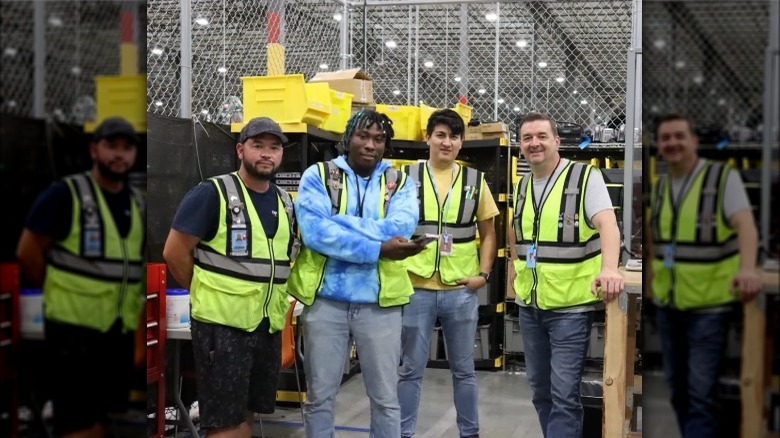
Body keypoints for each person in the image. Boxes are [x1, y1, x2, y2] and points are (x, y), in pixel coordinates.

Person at [288, 110, 423, 438]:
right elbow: (316, 233)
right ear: (348, 138)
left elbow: (400, 227)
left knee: (385, 398)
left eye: (379, 139)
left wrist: (340, 221)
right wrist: (378, 248)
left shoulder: (401, 183)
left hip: (380, 306)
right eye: (363, 136)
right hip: (326, 304)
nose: (371, 145)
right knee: (320, 397)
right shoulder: (318, 176)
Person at [162, 117, 297, 437]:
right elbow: (174, 252)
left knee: (246, 414)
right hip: (222, 328)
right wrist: (206, 290)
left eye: (274, 147)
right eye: (258, 145)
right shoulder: (213, 193)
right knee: (225, 421)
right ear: (240, 149)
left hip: (265, 326)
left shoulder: (285, 202)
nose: (267, 153)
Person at [16, 117, 145, 438]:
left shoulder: (136, 204)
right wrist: (60, 289)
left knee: (99, 420)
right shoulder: (66, 194)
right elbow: (28, 251)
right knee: (77, 424)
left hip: (116, 332)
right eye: (111, 146)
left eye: (126, 148)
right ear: (93, 149)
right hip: (72, 334)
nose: (119, 154)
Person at [508, 112, 624, 437]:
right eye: (528, 137)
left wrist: (610, 268)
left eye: (542, 136)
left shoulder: (584, 177)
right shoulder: (523, 185)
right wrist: (513, 276)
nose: (535, 143)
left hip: (570, 308)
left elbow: (608, 225)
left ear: (557, 141)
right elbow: (518, 236)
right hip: (531, 304)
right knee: (540, 392)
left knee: (563, 395)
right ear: (521, 145)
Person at [648, 113, 761, 437]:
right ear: (659, 144)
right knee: (678, 390)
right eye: (666, 137)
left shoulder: (721, 178)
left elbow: (745, 225)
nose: (673, 143)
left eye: (679, 136)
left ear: (694, 140)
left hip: (709, 307)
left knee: (700, 394)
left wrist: (748, 268)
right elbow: (657, 236)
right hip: (670, 305)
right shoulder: (661, 187)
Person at [397, 109, 499, 438]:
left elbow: (489, 234)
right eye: (440, 135)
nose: (447, 142)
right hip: (415, 288)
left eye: (454, 136)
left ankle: (470, 433)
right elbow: (387, 227)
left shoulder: (474, 181)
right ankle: (403, 433)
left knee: (464, 370)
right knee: (410, 369)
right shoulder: (403, 178)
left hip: (460, 290)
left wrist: (483, 275)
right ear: (427, 138)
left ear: (461, 142)